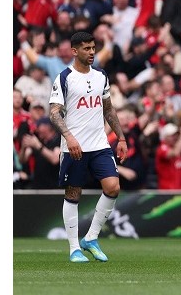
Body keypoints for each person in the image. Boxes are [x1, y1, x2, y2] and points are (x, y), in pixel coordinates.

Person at [48, 31, 129, 263]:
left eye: (93, 48)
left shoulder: (101, 76)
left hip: (99, 144)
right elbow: (54, 112)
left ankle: (91, 238)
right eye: (86, 48)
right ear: (74, 51)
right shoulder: (64, 77)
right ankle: (74, 248)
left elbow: (109, 109)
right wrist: (69, 137)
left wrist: (120, 138)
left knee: (113, 187)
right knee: (73, 194)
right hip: (74, 146)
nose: (92, 52)